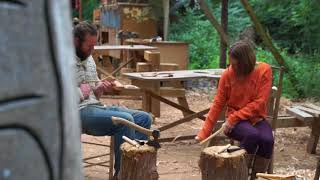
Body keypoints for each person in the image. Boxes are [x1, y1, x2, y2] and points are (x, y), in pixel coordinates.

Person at [73, 21, 152, 177]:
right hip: (76, 112)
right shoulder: (59, 61)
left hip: (96, 107)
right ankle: (122, 175)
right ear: (76, 41)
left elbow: (94, 93)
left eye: (94, 46)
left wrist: (100, 89)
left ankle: (136, 172)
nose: (92, 50)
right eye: (89, 46)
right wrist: (80, 92)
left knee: (144, 118)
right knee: (124, 121)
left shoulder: (89, 59)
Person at [196, 41, 274, 178]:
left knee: (268, 140)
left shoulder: (264, 70)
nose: (232, 67)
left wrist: (233, 118)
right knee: (252, 135)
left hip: (254, 118)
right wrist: (204, 132)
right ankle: (240, 175)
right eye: (231, 63)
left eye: (236, 64)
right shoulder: (227, 74)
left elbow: (260, 102)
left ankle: (257, 176)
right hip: (236, 123)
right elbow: (217, 104)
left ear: (246, 62)